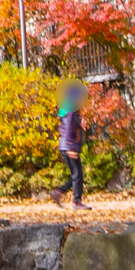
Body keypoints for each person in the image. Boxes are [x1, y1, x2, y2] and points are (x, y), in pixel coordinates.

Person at [52, 80, 91, 210]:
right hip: (69, 146)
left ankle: (59, 192)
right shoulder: (70, 110)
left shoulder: (65, 108)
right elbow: (68, 128)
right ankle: (76, 202)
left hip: (66, 145)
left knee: (76, 174)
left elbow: (62, 126)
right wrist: (70, 146)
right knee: (77, 174)